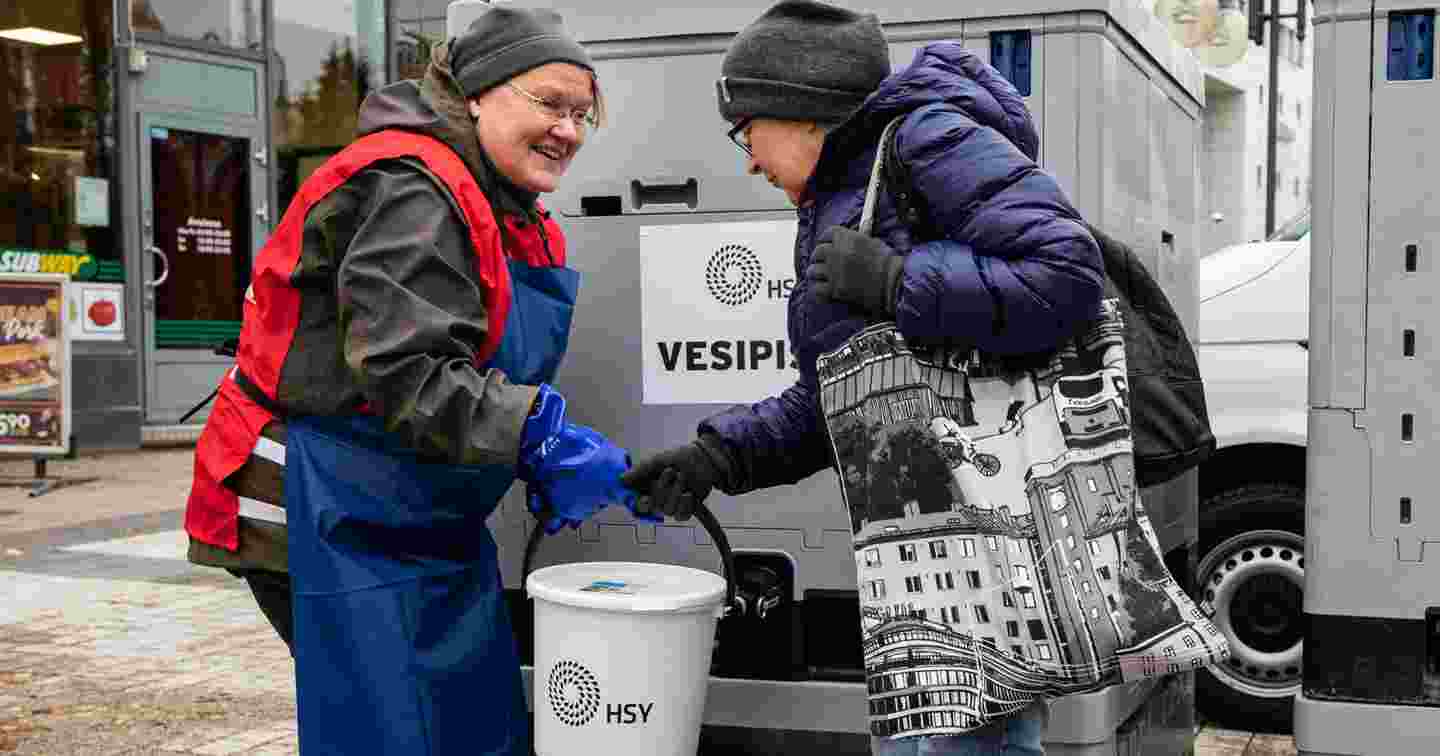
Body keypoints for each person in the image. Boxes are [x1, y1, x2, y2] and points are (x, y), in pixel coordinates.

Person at [621, 2, 1105, 754]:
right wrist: (716, 457)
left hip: (978, 544)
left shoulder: (924, 140)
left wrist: (898, 281)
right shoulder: (845, 194)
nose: (747, 157)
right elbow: (841, 397)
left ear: (803, 111)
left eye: (746, 128)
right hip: (917, 551)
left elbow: (1068, 275)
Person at [184, 5, 636, 753]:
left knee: (461, 724)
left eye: (583, 114)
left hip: (411, 513)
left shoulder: (499, 201)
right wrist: (536, 436)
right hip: (320, 507)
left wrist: (522, 444)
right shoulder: (412, 188)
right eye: (550, 103)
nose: (569, 131)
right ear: (482, 92)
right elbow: (406, 373)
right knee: (393, 732)